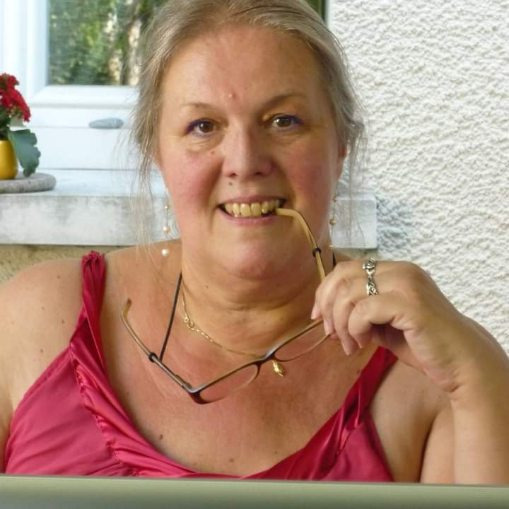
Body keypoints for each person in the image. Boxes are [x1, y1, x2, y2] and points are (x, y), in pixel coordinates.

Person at [1, 0, 508, 483]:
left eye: (284, 121)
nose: (244, 162)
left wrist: (479, 377)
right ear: (157, 153)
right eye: (203, 126)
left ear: (341, 146)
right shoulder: (35, 319)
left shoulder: (425, 371)